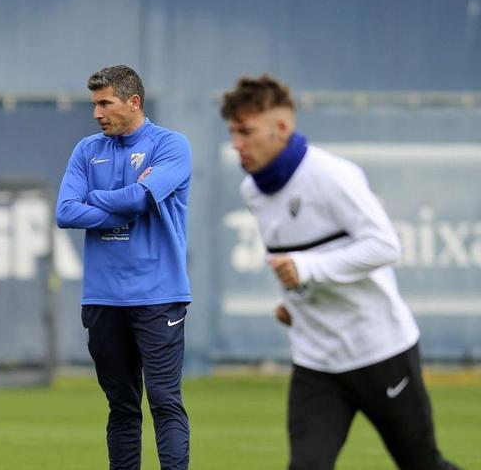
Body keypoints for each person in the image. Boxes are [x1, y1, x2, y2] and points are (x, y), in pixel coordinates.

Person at [220, 74, 461, 470]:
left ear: (281, 128)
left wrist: (306, 270)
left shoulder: (332, 175)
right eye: (232, 132)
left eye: (246, 132)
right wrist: (291, 300)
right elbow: (289, 252)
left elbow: (385, 245)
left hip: (380, 351)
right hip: (316, 362)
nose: (237, 144)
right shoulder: (252, 190)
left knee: (423, 464)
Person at [56, 65, 193, 470]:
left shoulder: (171, 145)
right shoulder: (86, 150)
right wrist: (118, 210)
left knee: (166, 402)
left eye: (105, 103)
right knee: (121, 407)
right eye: (94, 104)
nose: (96, 113)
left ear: (133, 102)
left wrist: (95, 198)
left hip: (159, 295)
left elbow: (140, 199)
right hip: (102, 296)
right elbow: (66, 211)